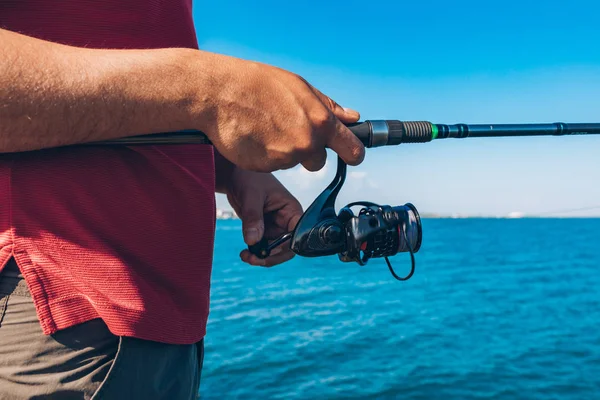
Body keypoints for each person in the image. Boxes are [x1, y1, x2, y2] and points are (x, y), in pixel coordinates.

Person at [0, 0, 365, 399]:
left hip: (163, 328)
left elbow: (139, 107)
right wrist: (211, 92)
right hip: (60, 314)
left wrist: (231, 169)